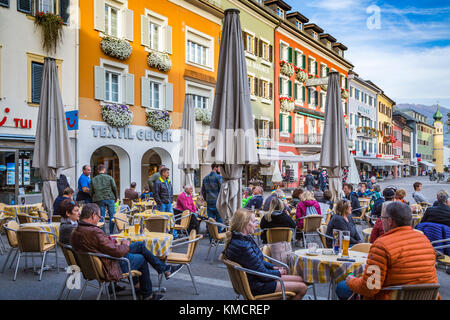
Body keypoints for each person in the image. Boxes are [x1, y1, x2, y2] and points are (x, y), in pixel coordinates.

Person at [70, 203, 182, 300]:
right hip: (109, 266)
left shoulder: (75, 232)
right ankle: (148, 295)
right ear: (93, 215)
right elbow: (117, 252)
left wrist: (116, 244)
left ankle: (158, 273)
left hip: (94, 266)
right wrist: (124, 245)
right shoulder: (94, 232)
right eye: (99, 216)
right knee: (141, 258)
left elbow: (101, 247)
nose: (100, 219)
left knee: (139, 245)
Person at [338, 202, 439, 300]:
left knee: (342, 287)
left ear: (389, 221)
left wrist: (351, 281)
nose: (381, 221)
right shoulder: (425, 241)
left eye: (382, 218)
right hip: (427, 296)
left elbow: (370, 287)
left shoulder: (381, 245)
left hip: (391, 296)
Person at [223, 208, 307, 300]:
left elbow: (256, 262)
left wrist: (273, 267)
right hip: (259, 285)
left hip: (256, 280)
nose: (256, 224)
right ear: (245, 223)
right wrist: (278, 272)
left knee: (301, 280)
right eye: (254, 221)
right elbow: (261, 273)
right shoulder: (243, 246)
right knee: (303, 288)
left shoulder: (240, 239)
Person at [90, 164, 118, 235]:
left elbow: (91, 191)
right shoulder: (109, 177)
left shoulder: (93, 179)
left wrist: (92, 198)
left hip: (99, 199)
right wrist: (116, 197)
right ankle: (111, 233)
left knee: (101, 216)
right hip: (110, 197)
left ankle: (102, 233)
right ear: (104, 170)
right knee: (112, 215)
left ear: (97, 170)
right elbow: (114, 188)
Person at [201, 164, 223, 228]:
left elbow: (203, 191)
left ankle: (212, 236)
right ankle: (218, 235)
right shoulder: (219, 178)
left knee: (210, 220)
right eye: (219, 167)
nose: (220, 169)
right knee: (219, 219)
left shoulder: (205, 178)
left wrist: (206, 199)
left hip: (209, 202)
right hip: (217, 202)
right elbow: (222, 190)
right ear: (215, 168)